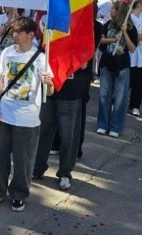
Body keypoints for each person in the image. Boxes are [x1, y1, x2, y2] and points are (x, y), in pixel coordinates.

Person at [0, 17, 52, 212]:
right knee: (0, 157)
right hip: (5, 114)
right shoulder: (7, 52)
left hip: (27, 118)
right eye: (14, 31)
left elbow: (50, 91)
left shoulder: (40, 58)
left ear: (30, 34)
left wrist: (49, 83)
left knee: (23, 160)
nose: (15, 35)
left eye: (19, 32)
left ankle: (19, 194)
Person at [34, 13, 100, 190]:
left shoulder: (82, 39)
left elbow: (84, 64)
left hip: (71, 94)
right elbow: (41, 58)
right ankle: (37, 168)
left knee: (68, 136)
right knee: (43, 132)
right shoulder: (50, 36)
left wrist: (67, 50)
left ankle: (64, 173)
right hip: (50, 92)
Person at [96, 1, 136, 137]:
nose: (111, 10)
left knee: (120, 98)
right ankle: (102, 124)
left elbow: (132, 48)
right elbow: (100, 41)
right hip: (107, 63)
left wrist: (125, 33)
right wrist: (113, 40)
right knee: (104, 95)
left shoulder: (130, 28)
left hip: (122, 65)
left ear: (119, 12)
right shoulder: (107, 25)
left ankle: (115, 126)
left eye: (113, 8)